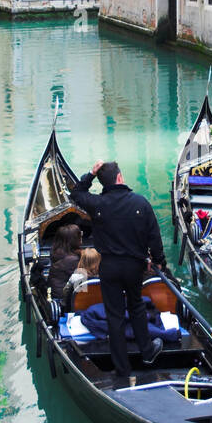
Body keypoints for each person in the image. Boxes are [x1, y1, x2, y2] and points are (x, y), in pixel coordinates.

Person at [70, 161, 168, 376]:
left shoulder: (97, 204)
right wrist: (160, 261)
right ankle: (147, 351)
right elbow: (154, 237)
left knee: (114, 315)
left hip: (110, 267)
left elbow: (76, 193)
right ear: (120, 178)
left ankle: (122, 368)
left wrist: (91, 174)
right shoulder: (141, 203)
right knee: (136, 307)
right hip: (134, 266)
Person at [48, 224, 83, 300]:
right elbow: (82, 286)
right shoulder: (74, 260)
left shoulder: (55, 252)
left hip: (56, 292)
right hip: (66, 298)